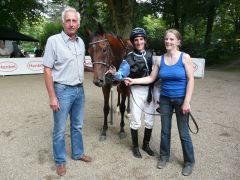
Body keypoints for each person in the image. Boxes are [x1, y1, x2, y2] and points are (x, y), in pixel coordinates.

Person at [125, 29, 195, 176]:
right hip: (165, 100)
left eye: (171, 39)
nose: (168, 42)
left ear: (178, 42)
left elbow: (191, 80)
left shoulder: (185, 57)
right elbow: (151, 78)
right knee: (165, 131)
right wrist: (133, 80)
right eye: (166, 39)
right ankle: (164, 157)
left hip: (181, 99)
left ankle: (189, 162)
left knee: (183, 133)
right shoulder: (159, 60)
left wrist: (187, 101)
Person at [43, 7, 91, 176]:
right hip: (62, 90)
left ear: (78, 24)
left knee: (77, 125)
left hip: (79, 90)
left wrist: (100, 69)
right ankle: (60, 161)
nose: (71, 24)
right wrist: (52, 96)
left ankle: (78, 153)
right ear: (63, 22)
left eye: (74, 21)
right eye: (68, 20)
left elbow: (81, 65)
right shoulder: (53, 41)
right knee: (60, 129)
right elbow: (47, 69)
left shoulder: (81, 42)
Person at [106, 27, 157, 158]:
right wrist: (115, 74)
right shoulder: (129, 58)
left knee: (150, 120)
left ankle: (146, 145)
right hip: (137, 91)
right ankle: (135, 147)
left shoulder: (152, 55)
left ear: (145, 40)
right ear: (133, 42)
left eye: (141, 39)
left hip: (151, 91)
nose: (139, 42)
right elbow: (121, 74)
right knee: (135, 120)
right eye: (136, 40)